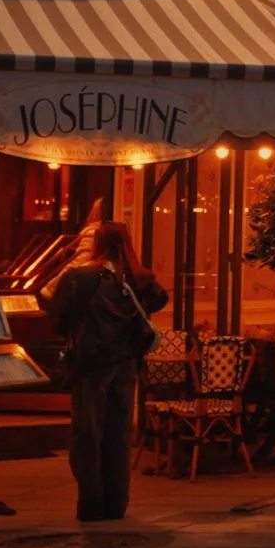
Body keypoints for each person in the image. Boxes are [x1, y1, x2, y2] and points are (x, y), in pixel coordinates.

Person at [42, 221, 167, 523]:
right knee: (118, 433)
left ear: (96, 243)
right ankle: (116, 502)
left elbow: (57, 317)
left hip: (91, 365)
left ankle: (91, 504)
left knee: (88, 433)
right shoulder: (140, 278)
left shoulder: (79, 278)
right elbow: (159, 300)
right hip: (125, 364)